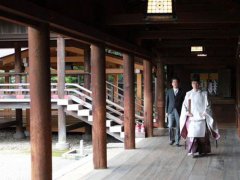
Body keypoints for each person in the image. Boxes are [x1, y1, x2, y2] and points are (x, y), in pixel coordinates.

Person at [180, 74, 220, 157]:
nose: (196, 85)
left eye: (197, 83)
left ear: (199, 84)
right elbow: (184, 106)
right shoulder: (188, 94)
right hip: (192, 118)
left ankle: (203, 151)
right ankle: (193, 151)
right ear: (191, 84)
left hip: (202, 117)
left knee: (203, 136)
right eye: (194, 83)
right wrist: (187, 112)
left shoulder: (204, 94)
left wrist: (206, 112)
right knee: (192, 135)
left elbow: (208, 105)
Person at [166, 77, 185, 147]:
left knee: (178, 126)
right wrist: (166, 112)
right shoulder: (169, 91)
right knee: (170, 126)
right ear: (172, 84)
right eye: (173, 82)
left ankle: (177, 141)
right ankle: (172, 139)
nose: (175, 83)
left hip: (178, 111)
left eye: (176, 82)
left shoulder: (182, 92)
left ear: (178, 83)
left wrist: (184, 112)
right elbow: (167, 101)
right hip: (170, 110)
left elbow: (184, 102)